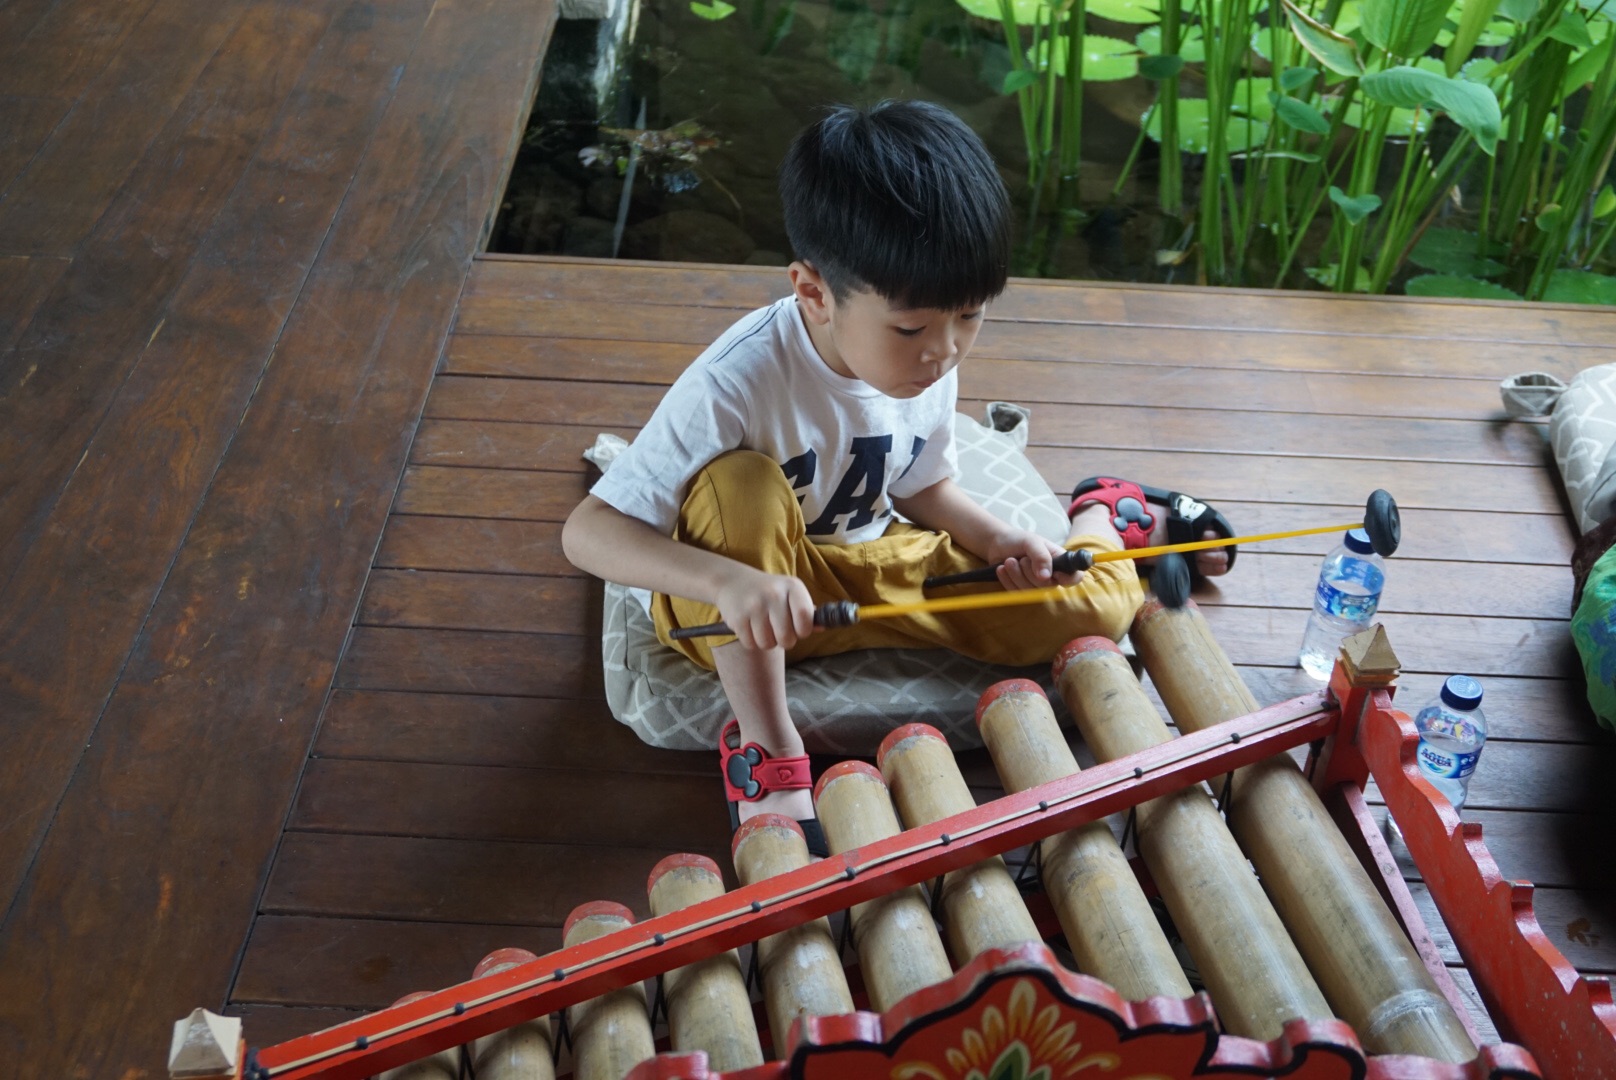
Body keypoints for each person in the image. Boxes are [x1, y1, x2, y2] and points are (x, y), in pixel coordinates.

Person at [561, 100, 1235, 852]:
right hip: (735, 612)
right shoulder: (733, 381)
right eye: (912, 328)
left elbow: (919, 487)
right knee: (741, 486)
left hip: (866, 577)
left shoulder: (928, 359)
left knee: (1088, 606)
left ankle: (1106, 511)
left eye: (970, 318)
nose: (944, 352)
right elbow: (590, 533)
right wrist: (728, 584)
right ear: (813, 293)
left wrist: (996, 537)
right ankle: (767, 742)